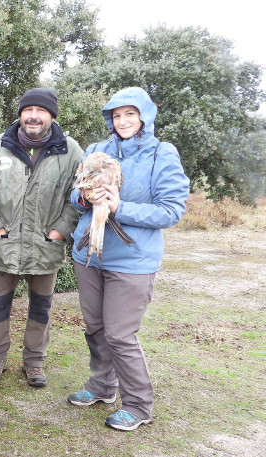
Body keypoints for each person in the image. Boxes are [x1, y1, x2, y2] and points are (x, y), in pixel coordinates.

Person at [66, 87, 189, 431]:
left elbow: (171, 210)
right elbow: (74, 196)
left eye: (129, 114)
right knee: (96, 327)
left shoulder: (161, 154)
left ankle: (138, 405)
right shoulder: (96, 150)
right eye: (116, 115)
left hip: (132, 260)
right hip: (89, 254)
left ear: (144, 116)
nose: (122, 121)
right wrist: (84, 197)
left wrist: (120, 206)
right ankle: (102, 386)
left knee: (120, 334)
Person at [0, 88, 83, 387]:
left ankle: (34, 362)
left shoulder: (71, 152)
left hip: (47, 248)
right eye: (28, 110)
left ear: (52, 116)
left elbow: (78, 198)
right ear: (20, 114)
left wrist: (60, 230)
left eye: (41, 111)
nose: (33, 116)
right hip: (4, 246)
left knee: (41, 308)